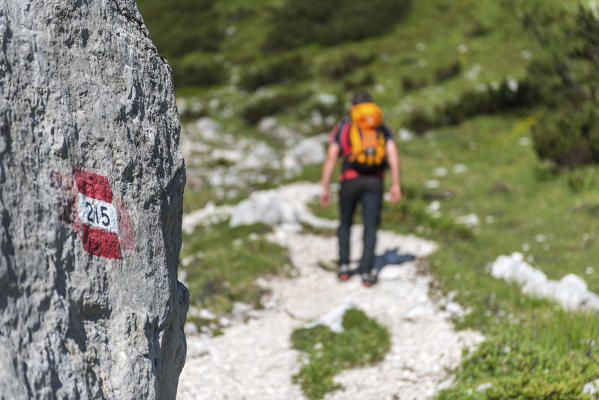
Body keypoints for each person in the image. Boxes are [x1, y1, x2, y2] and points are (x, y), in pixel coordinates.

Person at [319, 90, 401, 287]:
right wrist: (395, 184)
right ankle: (367, 271)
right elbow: (392, 155)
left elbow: (332, 156)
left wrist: (324, 187)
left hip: (349, 180)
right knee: (370, 226)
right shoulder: (380, 127)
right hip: (375, 181)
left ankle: (345, 266)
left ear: (351, 106)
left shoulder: (344, 126)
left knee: (345, 222)